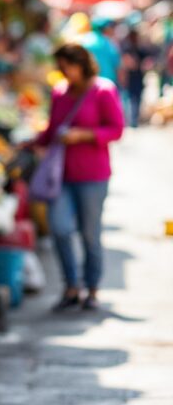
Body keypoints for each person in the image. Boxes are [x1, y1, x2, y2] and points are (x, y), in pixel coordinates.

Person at [35, 44, 124, 312]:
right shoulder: (60, 92)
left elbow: (117, 129)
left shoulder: (103, 91)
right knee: (59, 229)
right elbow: (52, 129)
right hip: (60, 176)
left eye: (67, 67)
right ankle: (71, 286)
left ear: (81, 65)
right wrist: (33, 143)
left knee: (89, 234)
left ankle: (92, 289)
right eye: (60, 67)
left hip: (93, 175)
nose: (63, 72)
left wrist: (83, 135)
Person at [121, 28, 156, 127]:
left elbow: (148, 59)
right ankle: (131, 120)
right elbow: (127, 63)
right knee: (130, 99)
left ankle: (134, 119)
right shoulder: (126, 48)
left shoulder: (139, 48)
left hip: (138, 78)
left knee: (137, 98)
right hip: (130, 78)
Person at [81, 16, 122, 88]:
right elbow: (117, 63)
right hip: (107, 82)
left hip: (88, 82)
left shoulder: (83, 41)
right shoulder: (107, 42)